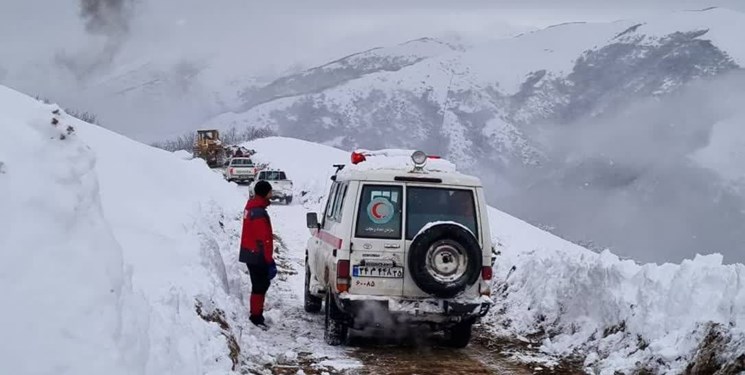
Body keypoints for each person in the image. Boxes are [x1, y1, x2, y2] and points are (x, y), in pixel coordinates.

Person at [239, 180, 277, 328]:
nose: (271, 194)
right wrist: (269, 260)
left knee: (259, 284)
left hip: (250, 252)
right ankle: (256, 316)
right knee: (260, 285)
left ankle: (256, 313)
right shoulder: (259, 212)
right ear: (264, 193)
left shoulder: (252, 207)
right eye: (270, 192)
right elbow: (264, 239)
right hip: (257, 254)